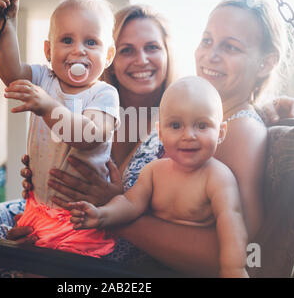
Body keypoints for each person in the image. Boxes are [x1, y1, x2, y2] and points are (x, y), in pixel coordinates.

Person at [0, 0, 294, 278]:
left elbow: (232, 255)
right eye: (206, 40)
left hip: (97, 248)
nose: (211, 55)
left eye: (231, 47)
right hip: (77, 220)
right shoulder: (197, 118)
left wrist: (111, 212)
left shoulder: (235, 131)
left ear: (266, 61)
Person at [69, 76, 249, 278]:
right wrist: (103, 215)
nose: (189, 135)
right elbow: (130, 203)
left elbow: (232, 225)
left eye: (202, 125)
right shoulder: (154, 171)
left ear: (221, 132)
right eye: (175, 126)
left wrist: (233, 270)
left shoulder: (217, 177)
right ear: (160, 133)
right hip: (146, 268)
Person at [0, 0, 121, 257]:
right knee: (24, 264)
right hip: (37, 209)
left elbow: (89, 136)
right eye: (67, 40)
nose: (79, 50)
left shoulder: (104, 94)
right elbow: (10, 71)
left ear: (108, 55)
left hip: (78, 221)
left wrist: (47, 106)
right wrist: (7, 22)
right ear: (49, 51)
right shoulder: (43, 79)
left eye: (91, 42)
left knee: (58, 269)